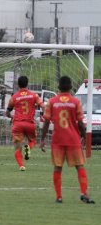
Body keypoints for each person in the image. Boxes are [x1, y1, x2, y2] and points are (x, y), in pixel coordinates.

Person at [40, 76, 95, 204]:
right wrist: (84, 137)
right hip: (73, 139)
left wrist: (42, 139)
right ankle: (84, 193)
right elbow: (80, 123)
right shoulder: (76, 102)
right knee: (79, 166)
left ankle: (59, 197)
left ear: (58, 87)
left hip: (58, 139)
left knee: (58, 167)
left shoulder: (52, 101)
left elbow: (47, 121)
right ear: (71, 87)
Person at [5, 76, 45, 171]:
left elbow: (7, 113)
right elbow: (43, 106)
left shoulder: (13, 98)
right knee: (33, 141)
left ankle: (22, 166)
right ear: (28, 84)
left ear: (18, 85)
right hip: (30, 124)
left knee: (18, 149)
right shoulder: (34, 95)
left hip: (18, 124)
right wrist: (43, 115)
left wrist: (12, 117)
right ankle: (29, 147)